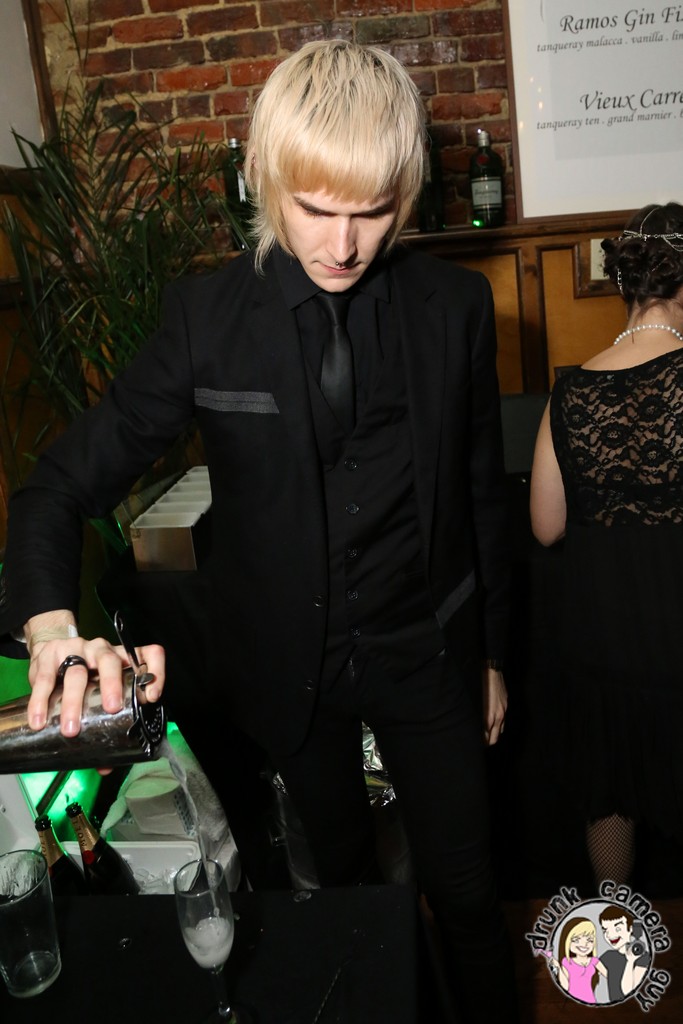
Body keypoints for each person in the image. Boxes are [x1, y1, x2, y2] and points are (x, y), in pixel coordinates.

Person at [0, 40, 517, 1022]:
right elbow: (57, 484)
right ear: (266, 181)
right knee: (345, 900)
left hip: (427, 650)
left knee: (468, 897)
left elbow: (479, 493)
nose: (343, 244)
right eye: (315, 209)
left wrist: (488, 654)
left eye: (372, 211)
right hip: (290, 669)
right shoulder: (208, 319)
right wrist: (52, 629)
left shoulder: (455, 307)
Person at [530, 201, 683, 888]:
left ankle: (617, 925)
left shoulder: (571, 390)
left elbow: (545, 525)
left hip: (602, 640)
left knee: (610, 794)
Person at [549, 916, 607, 1004]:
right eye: (576, 940)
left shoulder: (594, 961)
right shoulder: (567, 962)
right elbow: (565, 986)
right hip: (572, 1002)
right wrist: (558, 967)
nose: (584, 944)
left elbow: (610, 976)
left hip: (590, 1001)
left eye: (590, 940)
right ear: (567, 941)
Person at [598, 906, 650, 1002]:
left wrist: (630, 961)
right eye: (605, 930)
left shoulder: (642, 957)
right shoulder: (608, 956)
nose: (610, 935)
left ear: (630, 929)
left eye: (617, 929)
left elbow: (628, 991)